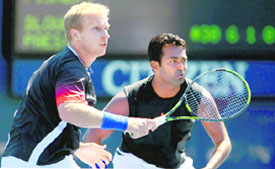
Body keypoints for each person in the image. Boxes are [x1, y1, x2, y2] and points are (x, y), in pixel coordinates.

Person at [1, 2, 157, 168]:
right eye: (96, 29)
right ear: (75, 35)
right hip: (34, 164)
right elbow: (70, 110)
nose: (106, 35)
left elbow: (42, 122)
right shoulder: (70, 68)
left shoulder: (65, 64)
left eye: (106, 28)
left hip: (40, 160)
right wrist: (127, 123)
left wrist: (76, 147)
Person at [83, 33, 232, 169]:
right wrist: (98, 165)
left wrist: (209, 168)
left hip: (177, 164)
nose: (181, 67)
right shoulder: (129, 98)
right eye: (173, 61)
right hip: (132, 163)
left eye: (183, 60)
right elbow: (92, 136)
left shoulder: (197, 97)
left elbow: (223, 142)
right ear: (155, 65)